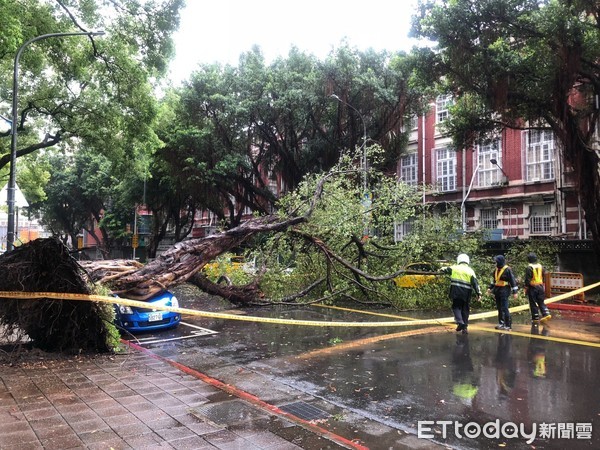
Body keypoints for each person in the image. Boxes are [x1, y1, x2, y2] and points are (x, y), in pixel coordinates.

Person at [441, 253, 481, 334]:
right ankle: (464, 328)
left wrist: (440, 270)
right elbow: (475, 284)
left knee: (456, 307)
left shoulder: (455, 268)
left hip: (456, 291)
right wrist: (479, 294)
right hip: (466, 293)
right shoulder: (471, 271)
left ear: (459, 260)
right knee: (465, 309)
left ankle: (460, 322)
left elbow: (444, 269)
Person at [487, 255, 518, 331]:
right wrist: (490, 288)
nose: (495, 263)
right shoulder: (496, 270)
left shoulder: (507, 270)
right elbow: (494, 280)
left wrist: (515, 292)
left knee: (504, 308)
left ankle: (508, 325)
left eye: (496, 261)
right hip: (497, 290)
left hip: (504, 290)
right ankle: (501, 323)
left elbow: (512, 281)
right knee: (499, 308)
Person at [524, 252, 551, 322]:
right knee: (541, 301)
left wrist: (526, 288)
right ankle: (546, 313)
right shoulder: (540, 266)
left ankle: (535, 318)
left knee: (533, 303)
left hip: (533, 288)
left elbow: (527, 280)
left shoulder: (529, 268)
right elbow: (545, 274)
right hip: (540, 286)